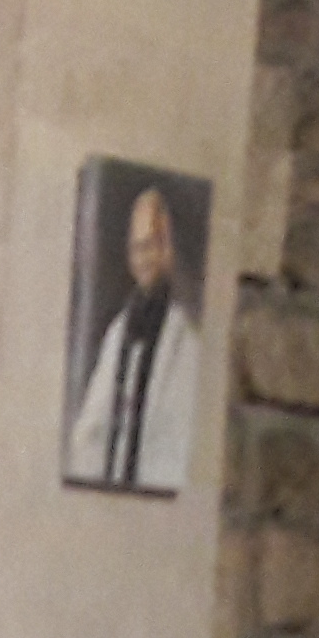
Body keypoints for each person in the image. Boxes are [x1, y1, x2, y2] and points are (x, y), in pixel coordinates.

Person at [62, 177, 198, 493]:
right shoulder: (118, 333)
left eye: (152, 246)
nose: (144, 259)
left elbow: (178, 442)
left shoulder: (186, 340)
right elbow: (90, 431)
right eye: (137, 248)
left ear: (168, 249)